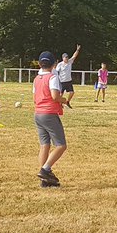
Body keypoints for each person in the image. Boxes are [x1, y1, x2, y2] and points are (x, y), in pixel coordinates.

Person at [33, 51, 71, 188]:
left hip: (38, 114)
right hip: (49, 114)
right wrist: (64, 100)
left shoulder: (37, 79)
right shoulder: (52, 77)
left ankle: (45, 180)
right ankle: (45, 170)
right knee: (61, 145)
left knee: (45, 145)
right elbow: (55, 96)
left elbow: (35, 97)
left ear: (39, 64)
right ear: (54, 64)